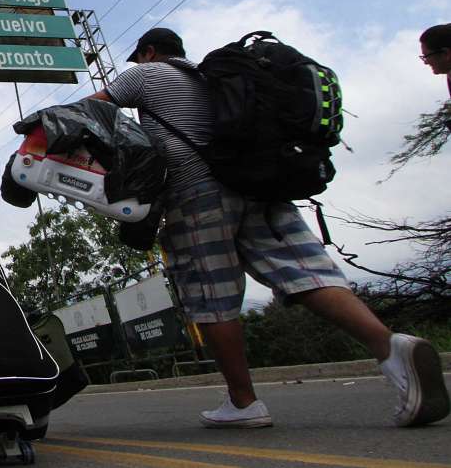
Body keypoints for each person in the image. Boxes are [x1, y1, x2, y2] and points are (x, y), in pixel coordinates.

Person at [89, 26, 450, 428]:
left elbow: (90, 112)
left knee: (211, 295)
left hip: (197, 193)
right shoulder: (211, 75)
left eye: (139, 57)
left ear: (150, 51)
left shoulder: (146, 73)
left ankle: (243, 404)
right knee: (307, 272)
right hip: (261, 181)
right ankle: (391, 348)